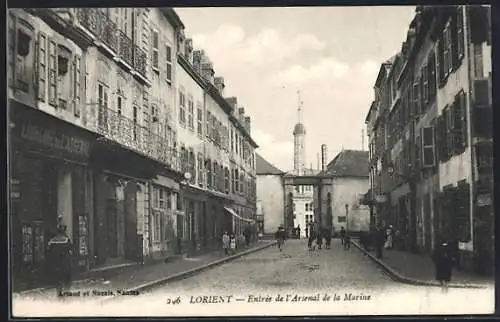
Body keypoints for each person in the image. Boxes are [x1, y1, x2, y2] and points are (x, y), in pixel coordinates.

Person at [47, 224, 73, 294]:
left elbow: (48, 250)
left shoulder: (52, 240)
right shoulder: (66, 239)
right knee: (66, 278)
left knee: (57, 279)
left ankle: (59, 290)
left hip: (55, 263)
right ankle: (66, 290)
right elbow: (70, 249)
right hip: (64, 263)